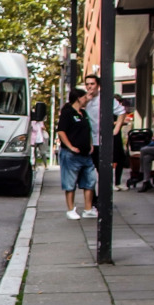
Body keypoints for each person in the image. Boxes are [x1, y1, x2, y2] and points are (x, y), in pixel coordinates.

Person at [83, 74, 124, 205]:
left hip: (103, 141)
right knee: (89, 172)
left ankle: (104, 199)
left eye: (92, 84)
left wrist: (116, 129)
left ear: (98, 85)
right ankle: (93, 200)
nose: (90, 87)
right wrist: (85, 100)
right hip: (89, 142)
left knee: (104, 172)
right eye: (87, 84)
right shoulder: (84, 100)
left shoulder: (106, 99)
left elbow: (121, 112)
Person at [57, 86, 96, 220]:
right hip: (71, 155)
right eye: (84, 97)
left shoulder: (83, 114)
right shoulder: (68, 113)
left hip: (85, 154)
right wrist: (70, 146)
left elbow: (87, 131)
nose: (86, 99)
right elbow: (61, 131)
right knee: (70, 182)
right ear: (78, 99)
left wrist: (90, 144)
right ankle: (70, 209)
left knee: (90, 180)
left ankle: (88, 208)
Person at [112, 97, 132, 190]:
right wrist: (119, 123)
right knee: (111, 159)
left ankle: (118, 182)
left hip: (117, 135)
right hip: (111, 136)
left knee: (120, 158)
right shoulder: (108, 110)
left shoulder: (118, 112)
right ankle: (111, 183)